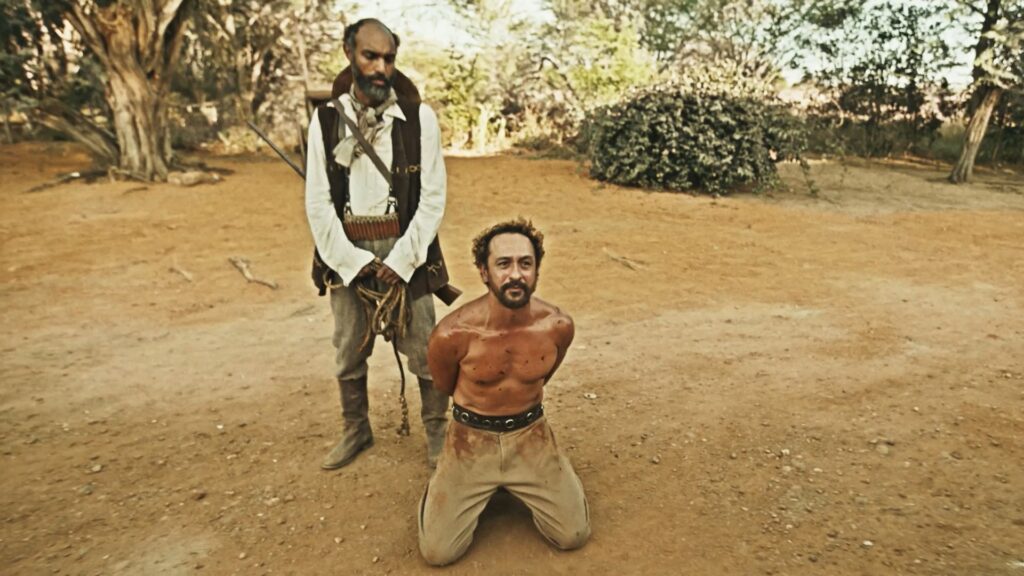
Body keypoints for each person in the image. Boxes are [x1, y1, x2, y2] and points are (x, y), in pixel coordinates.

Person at [304, 18, 453, 470]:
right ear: (349, 53)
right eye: (370, 56)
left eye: (388, 58)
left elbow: (432, 198)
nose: (380, 67)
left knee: (426, 349)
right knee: (348, 347)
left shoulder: (419, 119)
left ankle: (437, 434)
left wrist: (403, 260)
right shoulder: (325, 120)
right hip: (347, 254)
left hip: (407, 251)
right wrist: (351, 262)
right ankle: (357, 429)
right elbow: (317, 202)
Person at [417, 219, 591, 566]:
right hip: (470, 440)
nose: (515, 275)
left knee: (573, 535)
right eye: (503, 264)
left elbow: (542, 377)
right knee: (438, 553)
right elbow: (445, 385)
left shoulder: (557, 326)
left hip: (531, 435)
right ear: (484, 272)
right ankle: (444, 484)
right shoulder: (452, 334)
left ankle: (545, 475)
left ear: (536, 269)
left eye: (525, 264)